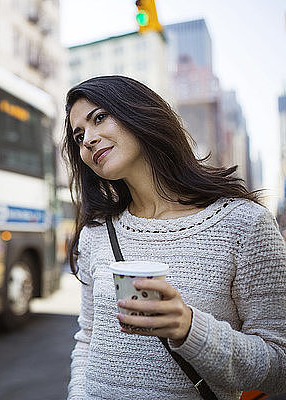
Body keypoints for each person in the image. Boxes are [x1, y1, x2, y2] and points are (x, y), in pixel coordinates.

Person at [62, 75, 286, 399]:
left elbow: (279, 367)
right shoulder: (96, 234)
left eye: (99, 118)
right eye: (79, 135)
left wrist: (189, 328)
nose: (88, 140)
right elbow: (88, 338)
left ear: (138, 112)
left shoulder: (243, 225)